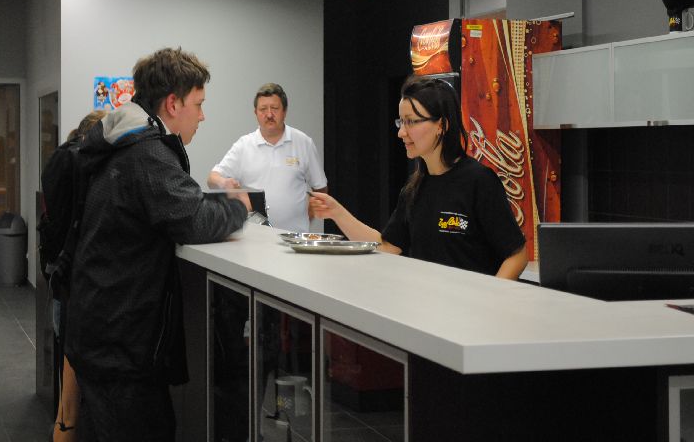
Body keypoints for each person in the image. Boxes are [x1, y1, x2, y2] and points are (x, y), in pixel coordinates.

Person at [64, 47, 247, 441]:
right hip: (120, 343)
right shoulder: (147, 153)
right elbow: (194, 219)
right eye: (198, 104)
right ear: (173, 103)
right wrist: (238, 208)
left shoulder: (123, 143)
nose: (202, 116)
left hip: (102, 329)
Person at [310, 75, 528, 279]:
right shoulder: (415, 187)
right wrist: (336, 212)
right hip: (425, 303)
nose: (401, 133)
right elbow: (387, 246)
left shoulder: (478, 181)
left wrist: (490, 297)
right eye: (401, 122)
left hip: (470, 305)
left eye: (411, 122)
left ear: (441, 125)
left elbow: (517, 255)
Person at [48, 110, 106, 442]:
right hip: (79, 276)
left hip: (61, 273)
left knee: (65, 354)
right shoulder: (83, 165)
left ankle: (63, 422)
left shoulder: (60, 158)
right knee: (75, 368)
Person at [208, 83, 328, 232]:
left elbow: (320, 188)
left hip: (295, 238)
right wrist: (224, 182)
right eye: (263, 109)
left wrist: (309, 215)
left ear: (284, 111)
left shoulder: (303, 143)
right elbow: (212, 179)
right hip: (255, 237)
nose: (269, 114)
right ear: (255, 113)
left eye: (275, 108)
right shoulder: (244, 145)